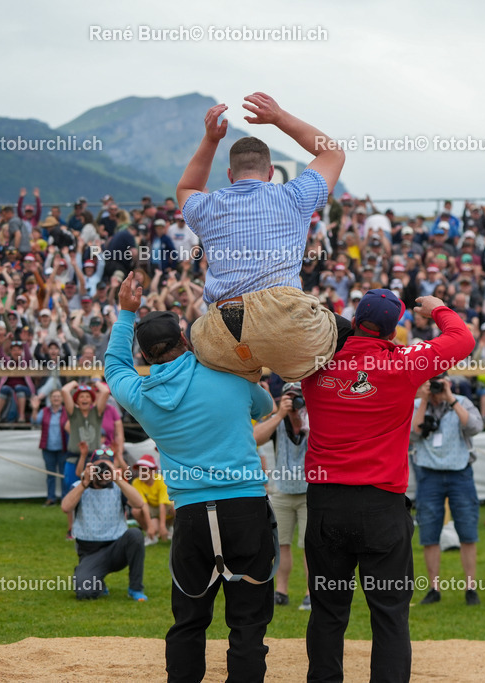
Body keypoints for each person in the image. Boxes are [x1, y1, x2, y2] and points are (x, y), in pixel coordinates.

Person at [104, 272, 276, 683]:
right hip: (245, 507)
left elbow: (113, 366)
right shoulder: (228, 373)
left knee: (188, 621)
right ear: (186, 340)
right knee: (248, 625)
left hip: (192, 515)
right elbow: (266, 406)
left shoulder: (142, 396)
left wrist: (126, 313)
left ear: (145, 357)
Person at [300, 291, 474, 682]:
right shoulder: (402, 363)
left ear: (356, 319)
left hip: (327, 504)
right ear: (394, 330)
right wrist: (437, 310)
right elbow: (463, 339)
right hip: (381, 505)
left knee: (327, 613)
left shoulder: (316, 363)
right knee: (390, 615)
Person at [176, 93, 347, 383]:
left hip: (221, 331)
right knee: (347, 337)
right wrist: (279, 118)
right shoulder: (294, 196)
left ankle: (254, 408)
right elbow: (332, 153)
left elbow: (188, 186)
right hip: (286, 323)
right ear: (270, 173)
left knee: (235, 384)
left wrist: (211, 139)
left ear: (230, 175)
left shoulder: (206, 207)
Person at [411, 371, 485, 606]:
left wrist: (450, 397)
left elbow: (474, 427)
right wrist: (423, 399)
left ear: (448, 383)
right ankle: (434, 588)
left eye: (438, 383)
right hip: (428, 474)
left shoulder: (462, 403)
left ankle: (470, 588)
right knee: (429, 534)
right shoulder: (416, 404)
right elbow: (413, 433)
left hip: (460, 473)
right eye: (430, 383)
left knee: (467, 531)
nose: (434, 389)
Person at [253, 381, 312, 610]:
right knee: (281, 544)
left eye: (298, 397)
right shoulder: (278, 422)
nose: (295, 402)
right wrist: (280, 415)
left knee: (310, 546)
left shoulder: (312, 418)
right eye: (290, 397)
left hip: (309, 492)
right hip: (282, 491)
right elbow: (255, 438)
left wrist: (303, 414)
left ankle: (310, 592)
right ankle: (281, 590)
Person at [61, 455, 148, 601]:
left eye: (107, 468)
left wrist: (117, 478)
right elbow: (65, 507)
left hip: (116, 548)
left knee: (135, 534)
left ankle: (135, 588)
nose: (103, 473)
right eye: (98, 468)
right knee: (84, 593)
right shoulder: (79, 486)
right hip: (90, 553)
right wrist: (84, 483)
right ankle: (96, 582)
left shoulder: (118, 487)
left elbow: (139, 503)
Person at [60, 379, 110, 539]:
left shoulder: (97, 413)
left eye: (87, 396)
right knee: (72, 492)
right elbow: (64, 391)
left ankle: (94, 525)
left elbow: (105, 392)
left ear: (92, 399)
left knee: (95, 491)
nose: (84, 399)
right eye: (81, 396)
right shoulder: (73, 414)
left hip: (94, 459)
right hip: (73, 459)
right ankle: (71, 529)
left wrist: (95, 382)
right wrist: (74, 383)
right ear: (76, 400)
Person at [31, 389, 68, 506]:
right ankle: (51, 498)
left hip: (63, 448)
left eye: (58, 396)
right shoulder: (45, 411)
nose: (56, 398)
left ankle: (65, 498)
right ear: (50, 399)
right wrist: (35, 409)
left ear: (62, 399)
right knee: (50, 475)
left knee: (64, 475)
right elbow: (35, 421)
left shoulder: (67, 411)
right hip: (48, 448)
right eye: (54, 396)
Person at [130, 454, 174, 546]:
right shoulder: (136, 482)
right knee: (135, 510)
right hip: (151, 510)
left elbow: (163, 504)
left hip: (165, 509)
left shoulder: (160, 479)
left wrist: (162, 526)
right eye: (139, 470)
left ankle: (172, 528)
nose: (141, 473)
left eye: (145, 470)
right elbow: (143, 505)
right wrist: (150, 526)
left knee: (175, 507)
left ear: (153, 471)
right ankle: (151, 535)